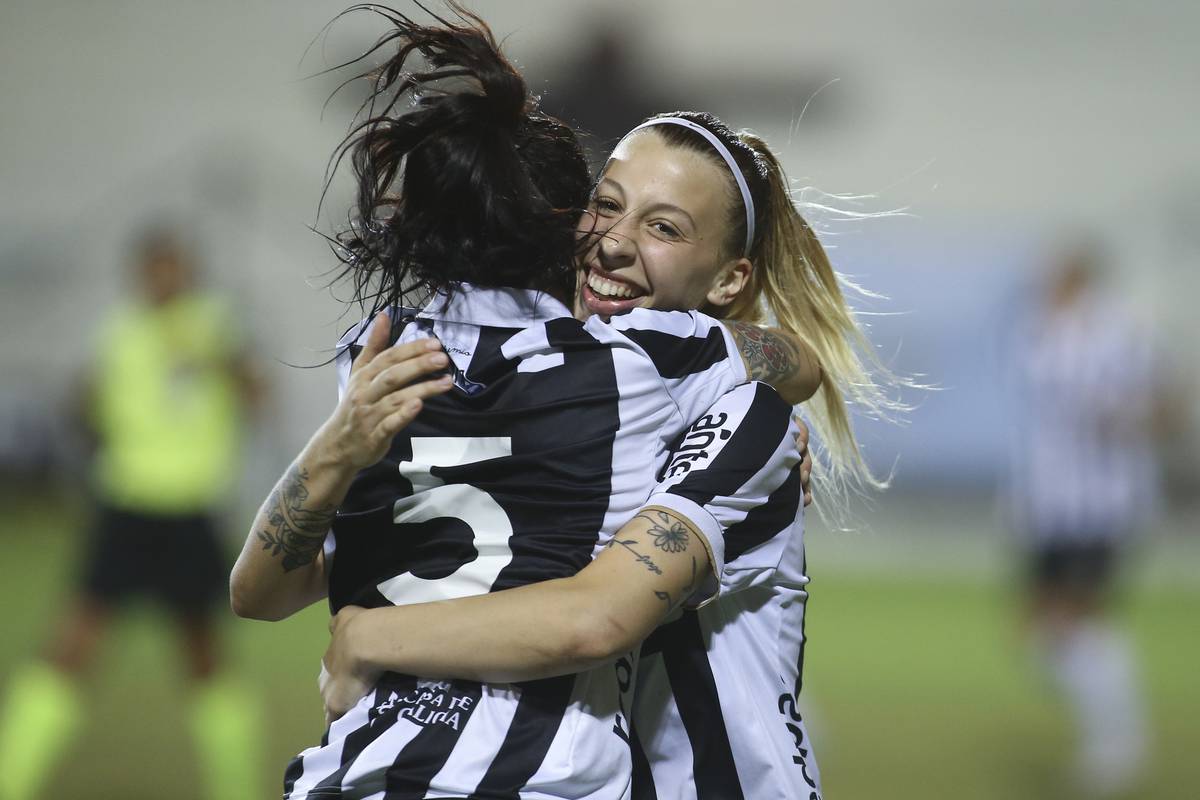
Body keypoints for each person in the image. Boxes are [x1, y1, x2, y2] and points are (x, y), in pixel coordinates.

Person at [230, 6, 825, 799]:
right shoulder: (549, 396)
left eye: (664, 227)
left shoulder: (731, 410)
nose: (614, 241)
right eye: (605, 205)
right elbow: (269, 589)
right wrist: (338, 447)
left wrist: (371, 634)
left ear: (729, 279)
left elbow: (594, 618)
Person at [0, 228, 266, 800]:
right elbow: (86, 403)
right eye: (154, 269)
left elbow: (257, 395)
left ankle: (237, 788)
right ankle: (11, 780)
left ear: (188, 271)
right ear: (141, 273)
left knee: (204, 659)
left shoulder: (216, 324)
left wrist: (222, 361)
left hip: (190, 512)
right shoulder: (120, 330)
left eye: (173, 268)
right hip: (126, 507)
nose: (164, 279)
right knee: (71, 645)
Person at [1006, 243, 1163, 797]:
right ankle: (1114, 730)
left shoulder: (1114, 329)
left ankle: (1118, 744)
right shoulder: (1040, 327)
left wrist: (1125, 420)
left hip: (1098, 504)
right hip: (1048, 504)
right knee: (1042, 636)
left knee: (1080, 621)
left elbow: (1159, 406)